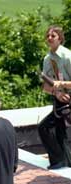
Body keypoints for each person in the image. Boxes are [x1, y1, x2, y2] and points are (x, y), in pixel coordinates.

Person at [38, 25, 71, 169]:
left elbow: (60, 82)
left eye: (53, 36)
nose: (50, 38)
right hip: (60, 100)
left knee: (48, 128)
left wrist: (61, 84)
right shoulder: (47, 59)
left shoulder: (68, 57)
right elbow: (45, 86)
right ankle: (60, 162)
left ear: (60, 39)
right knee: (54, 131)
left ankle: (61, 161)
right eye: (48, 36)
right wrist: (57, 93)